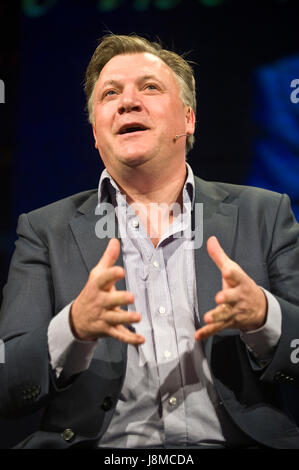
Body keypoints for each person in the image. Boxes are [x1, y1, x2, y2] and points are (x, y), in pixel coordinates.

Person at [0, 34, 299, 450]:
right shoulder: (44, 231)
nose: (127, 102)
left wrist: (265, 317)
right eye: (110, 94)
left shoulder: (263, 214)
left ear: (189, 119)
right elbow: (7, 382)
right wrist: (70, 330)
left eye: (150, 87)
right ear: (95, 134)